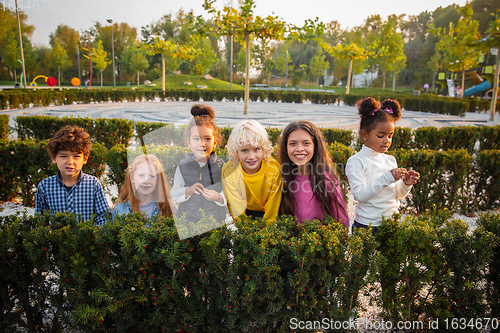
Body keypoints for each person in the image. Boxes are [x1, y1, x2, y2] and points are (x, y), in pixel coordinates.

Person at [346, 97, 419, 234]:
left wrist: (405, 184)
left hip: (391, 224)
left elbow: (397, 195)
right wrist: (388, 177)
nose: (387, 141)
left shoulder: (390, 160)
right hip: (367, 226)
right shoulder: (356, 161)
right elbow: (360, 195)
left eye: (390, 136)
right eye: (381, 136)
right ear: (364, 134)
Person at [278, 120, 349, 227]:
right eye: (293, 144)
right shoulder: (281, 177)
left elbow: (341, 218)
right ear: (285, 147)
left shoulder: (326, 179)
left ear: (315, 146)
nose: (299, 149)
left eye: (306, 143)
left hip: (317, 241)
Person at [35, 125, 110, 225]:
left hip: (88, 239)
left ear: (85, 159)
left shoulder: (93, 184)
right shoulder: (45, 186)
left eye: (76, 156)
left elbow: (103, 217)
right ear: (53, 158)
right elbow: (40, 220)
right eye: (63, 156)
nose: (70, 162)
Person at [170, 104, 227, 223]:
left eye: (207, 139)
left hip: (214, 222)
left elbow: (229, 194)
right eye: (196, 139)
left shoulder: (221, 166)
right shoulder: (182, 167)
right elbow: (175, 193)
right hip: (188, 222)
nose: (202, 144)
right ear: (189, 142)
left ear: (215, 142)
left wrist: (218, 197)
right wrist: (188, 191)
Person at [222, 119, 282, 224]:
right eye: (244, 150)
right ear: (236, 151)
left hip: (268, 213)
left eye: (256, 149)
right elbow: (236, 207)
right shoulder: (229, 170)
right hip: (244, 213)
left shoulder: (274, 168)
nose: (251, 157)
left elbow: (273, 204)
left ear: (263, 149)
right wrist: (244, 228)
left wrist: (268, 229)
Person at [112, 154, 174, 222]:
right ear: (132, 178)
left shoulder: (169, 207)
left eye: (151, 176)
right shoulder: (119, 210)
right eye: (141, 175)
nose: (146, 181)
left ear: (157, 180)